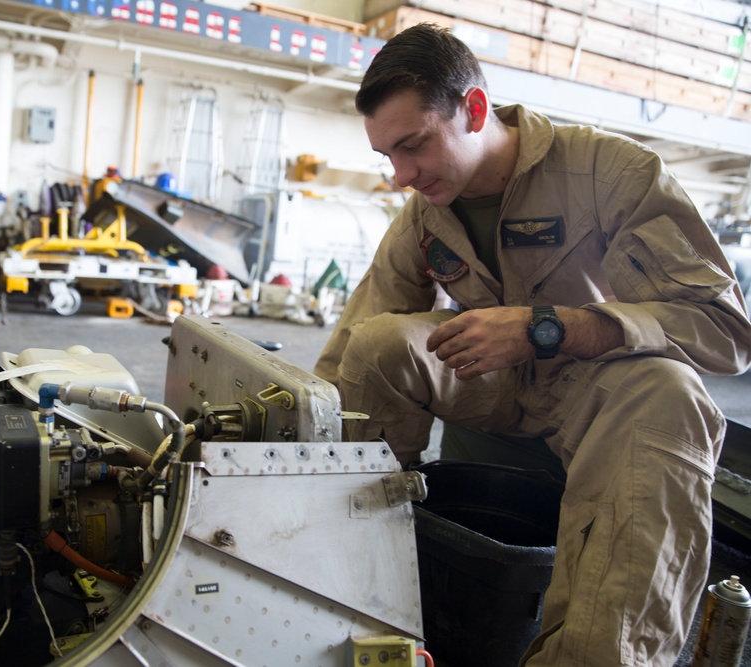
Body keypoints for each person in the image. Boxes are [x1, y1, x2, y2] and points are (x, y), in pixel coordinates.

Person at [314, 22, 751, 666]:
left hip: (593, 389)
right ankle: (347, 570)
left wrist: (546, 327)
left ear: (476, 110)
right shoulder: (427, 211)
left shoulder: (612, 174)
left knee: (670, 391)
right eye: (389, 157)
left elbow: (723, 330)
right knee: (379, 344)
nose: (402, 175)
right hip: (495, 386)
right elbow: (357, 341)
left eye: (414, 146)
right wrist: (286, 448)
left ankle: (599, 654)